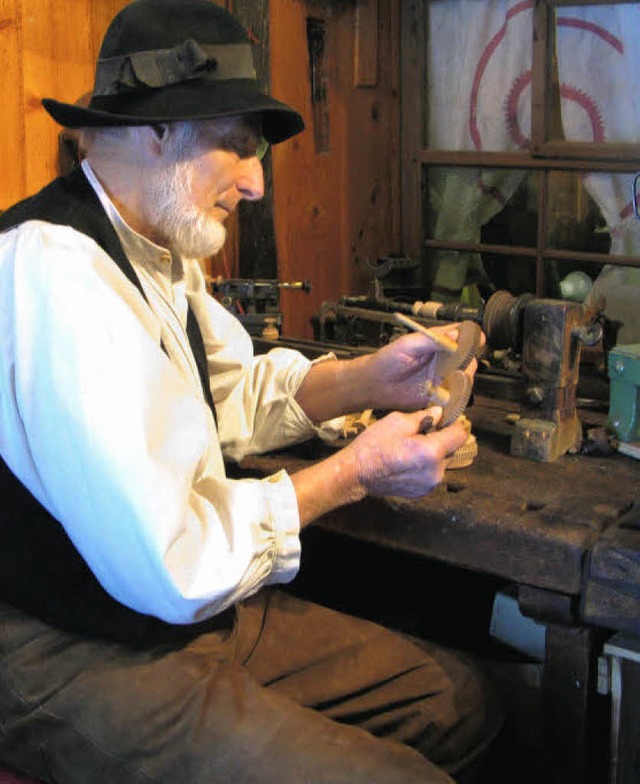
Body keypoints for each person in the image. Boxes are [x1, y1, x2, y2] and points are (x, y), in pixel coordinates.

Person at [0, 1, 501, 782]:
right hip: (63, 646)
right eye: (237, 147)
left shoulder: (157, 249)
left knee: (459, 700)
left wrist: (366, 378)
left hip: (177, 616)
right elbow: (173, 563)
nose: (258, 183)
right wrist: (354, 473)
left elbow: (224, 398)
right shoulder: (57, 276)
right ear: (156, 132)